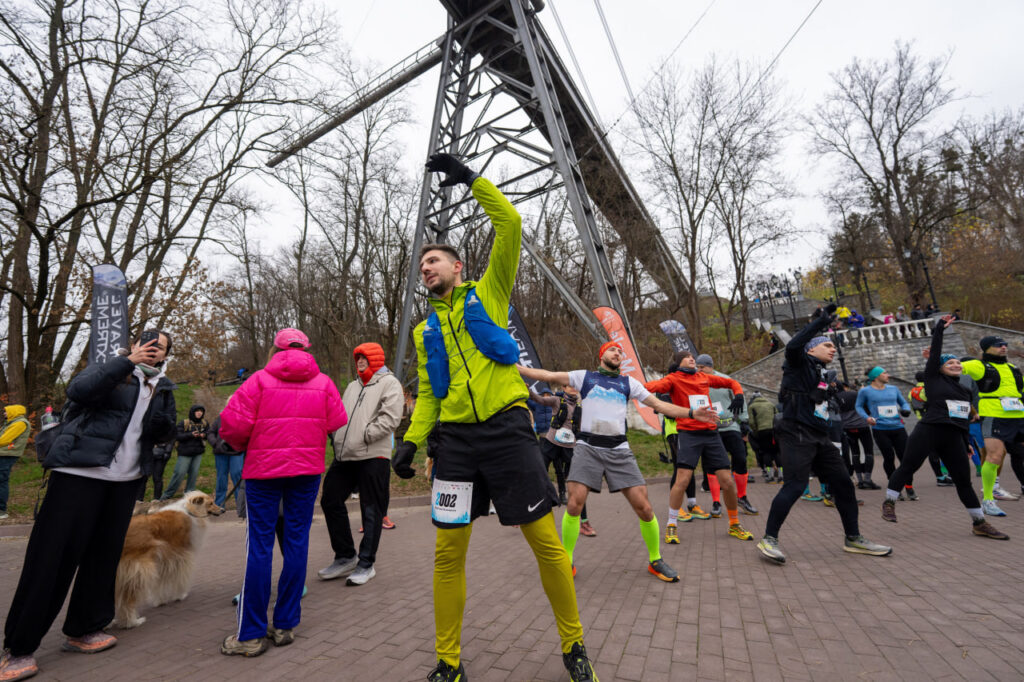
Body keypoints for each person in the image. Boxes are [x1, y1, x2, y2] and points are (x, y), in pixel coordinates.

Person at [388, 154, 597, 682]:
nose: (426, 267)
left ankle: (574, 647)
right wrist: (412, 441)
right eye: (422, 265)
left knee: (545, 545)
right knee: (446, 552)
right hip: (455, 444)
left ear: (457, 268)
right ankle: (448, 661)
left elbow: (511, 224)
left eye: (434, 260)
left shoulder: (488, 292)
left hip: (508, 434)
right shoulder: (423, 331)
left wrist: (471, 179)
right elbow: (432, 396)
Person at [0, 331, 175, 681]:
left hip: (123, 482)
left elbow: (163, 432)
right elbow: (78, 393)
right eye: (149, 345)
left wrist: (161, 424)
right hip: (79, 474)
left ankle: (84, 629)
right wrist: (126, 362)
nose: (154, 353)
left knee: (103, 559)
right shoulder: (110, 369)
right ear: (136, 344)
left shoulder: (164, 387)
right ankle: (19, 648)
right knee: (52, 559)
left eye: (162, 349)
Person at [518, 342, 712, 581]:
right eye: (613, 350)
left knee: (645, 507)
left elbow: (660, 405)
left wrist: (692, 413)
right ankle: (566, 561)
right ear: (602, 355)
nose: (618, 353)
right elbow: (547, 375)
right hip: (587, 447)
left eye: (620, 351)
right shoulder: (583, 377)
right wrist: (517, 367)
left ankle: (655, 560)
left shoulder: (629, 383)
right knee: (575, 503)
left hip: (619, 449)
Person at [218, 328, 346, 657]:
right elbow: (337, 420)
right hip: (306, 470)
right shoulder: (325, 382)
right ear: (307, 348)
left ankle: (250, 635)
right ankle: (286, 625)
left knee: (259, 546)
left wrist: (243, 443)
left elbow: (232, 428)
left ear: (275, 348)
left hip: (264, 470)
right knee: (297, 541)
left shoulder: (258, 380)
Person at [756, 305, 891, 564]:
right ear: (811, 349)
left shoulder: (824, 373)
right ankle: (769, 538)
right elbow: (794, 346)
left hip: (819, 436)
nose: (832, 349)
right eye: (826, 345)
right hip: (795, 433)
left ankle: (853, 538)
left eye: (833, 346)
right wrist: (819, 323)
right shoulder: (798, 362)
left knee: (843, 485)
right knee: (795, 485)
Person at [881, 316, 1007, 539]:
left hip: (953, 437)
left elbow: (963, 420)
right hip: (929, 431)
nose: (956, 364)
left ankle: (979, 522)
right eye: (950, 363)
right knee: (908, 466)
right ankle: (889, 502)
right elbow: (936, 352)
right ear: (939, 368)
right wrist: (939, 328)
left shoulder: (966, 392)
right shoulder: (933, 378)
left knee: (963, 481)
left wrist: (967, 442)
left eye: (958, 362)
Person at [644, 352, 755, 544]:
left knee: (727, 482)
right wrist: (624, 384)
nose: (692, 359)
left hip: (712, 434)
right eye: (687, 358)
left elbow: (731, 383)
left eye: (693, 357)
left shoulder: (704, 377)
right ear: (679, 363)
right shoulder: (672, 379)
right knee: (683, 480)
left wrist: (738, 395)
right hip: (688, 435)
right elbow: (646, 388)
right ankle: (671, 525)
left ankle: (734, 524)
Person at [318, 342, 403, 587]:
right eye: (357, 359)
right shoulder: (353, 386)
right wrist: (337, 436)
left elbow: (391, 418)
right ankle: (345, 556)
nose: (360, 362)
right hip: (345, 455)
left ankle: (366, 563)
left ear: (375, 359)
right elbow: (342, 415)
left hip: (373, 455)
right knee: (330, 500)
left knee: (372, 510)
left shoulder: (389, 383)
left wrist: (365, 435)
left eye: (364, 358)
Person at [962, 336, 1024, 516]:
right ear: (986, 348)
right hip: (995, 415)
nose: (1003, 347)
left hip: (1019, 415)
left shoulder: (1013, 368)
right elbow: (953, 367)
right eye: (998, 345)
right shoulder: (979, 366)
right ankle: (988, 500)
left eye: (1004, 344)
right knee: (995, 456)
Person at [694, 354, 757, 516]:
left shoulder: (725, 379)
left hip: (730, 425)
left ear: (711, 366)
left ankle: (742, 497)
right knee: (711, 465)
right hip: (709, 428)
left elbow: (739, 398)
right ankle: (716, 502)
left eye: (702, 367)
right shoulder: (693, 380)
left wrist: (744, 420)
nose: (699, 370)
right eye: (698, 367)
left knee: (740, 458)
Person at [530, 386, 596, 536]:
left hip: (569, 447)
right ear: (564, 388)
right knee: (538, 473)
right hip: (551, 443)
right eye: (569, 386)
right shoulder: (557, 400)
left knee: (578, 482)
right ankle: (526, 513)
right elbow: (540, 400)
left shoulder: (580, 407)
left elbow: (584, 428)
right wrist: (529, 392)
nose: (572, 388)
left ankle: (583, 522)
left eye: (575, 386)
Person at [856, 368, 915, 499]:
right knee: (889, 458)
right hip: (880, 429)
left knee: (905, 458)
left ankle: (909, 487)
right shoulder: (865, 391)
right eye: (884, 373)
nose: (888, 375)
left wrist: (905, 409)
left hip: (898, 427)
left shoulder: (893, 389)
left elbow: (903, 402)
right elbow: (858, 406)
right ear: (875, 376)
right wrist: (867, 418)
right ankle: (895, 488)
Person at [159, 405, 209, 500]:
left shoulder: (204, 423)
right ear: (192, 412)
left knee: (193, 474)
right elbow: (177, 436)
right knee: (179, 473)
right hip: (185, 452)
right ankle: (167, 495)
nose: (199, 413)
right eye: (197, 411)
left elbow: (209, 433)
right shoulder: (184, 423)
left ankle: (189, 495)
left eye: (201, 411)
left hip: (198, 452)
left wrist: (204, 435)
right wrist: (190, 435)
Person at [836, 381, 877, 489]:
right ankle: (867, 480)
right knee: (868, 452)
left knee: (855, 453)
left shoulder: (835, 397)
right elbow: (867, 407)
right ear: (844, 387)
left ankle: (859, 480)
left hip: (848, 428)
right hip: (862, 425)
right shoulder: (854, 394)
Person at [0, 405, 31, 519]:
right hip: (3, 453)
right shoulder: (11, 423)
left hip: (7, 454)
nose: (4, 414)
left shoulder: (20, 423)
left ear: (14, 411)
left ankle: (1, 511)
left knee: (1, 481)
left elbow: (4, 440)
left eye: (6, 412)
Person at [208, 415, 244, 510]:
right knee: (221, 477)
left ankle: (240, 505)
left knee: (237, 474)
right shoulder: (220, 418)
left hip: (237, 451)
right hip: (221, 452)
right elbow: (210, 432)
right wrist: (215, 443)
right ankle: (219, 504)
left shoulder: (242, 418)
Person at [747, 392, 780, 483]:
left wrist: (756, 432)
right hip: (773, 431)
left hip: (762, 431)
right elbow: (777, 416)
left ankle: (770, 476)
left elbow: (751, 422)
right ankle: (781, 476)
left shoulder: (752, 406)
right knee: (776, 452)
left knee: (766, 453)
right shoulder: (771, 404)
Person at [137, 436, 174, 501]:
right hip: (147, 453)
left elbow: (171, 436)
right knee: (143, 478)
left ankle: (156, 501)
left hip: (161, 454)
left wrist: (168, 451)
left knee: (157, 478)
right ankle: (139, 501)